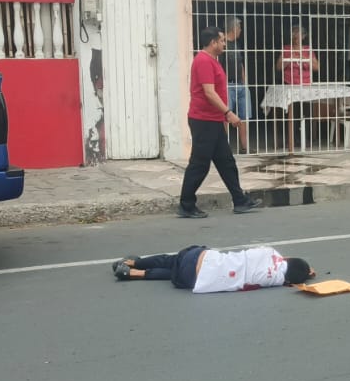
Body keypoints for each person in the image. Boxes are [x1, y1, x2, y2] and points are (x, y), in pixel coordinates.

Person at [177, 27, 263, 219]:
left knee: (226, 162)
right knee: (199, 164)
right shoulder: (203, 61)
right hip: (203, 120)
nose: (225, 44)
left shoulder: (211, 61)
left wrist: (222, 115)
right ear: (213, 42)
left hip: (213, 120)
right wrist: (228, 112)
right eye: (222, 41)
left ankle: (239, 200)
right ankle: (186, 204)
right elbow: (209, 92)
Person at [113, 244, 313, 291]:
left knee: (171, 260)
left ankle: (133, 262)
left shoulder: (269, 252)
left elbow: (283, 260)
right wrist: (305, 276)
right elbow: (289, 280)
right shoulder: (275, 280)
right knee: (173, 273)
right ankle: (134, 273)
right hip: (198, 279)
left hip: (201, 257)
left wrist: (307, 268)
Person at [223, 16, 252, 131]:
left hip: (240, 84)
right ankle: (224, 145)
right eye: (239, 27)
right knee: (226, 115)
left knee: (244, 116)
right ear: (234, 28)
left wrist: (245, 83)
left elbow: (240, 64)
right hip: (227, 85)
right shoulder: (223, 44)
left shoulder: (236, 44)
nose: (240, 30)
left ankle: (245, 148)